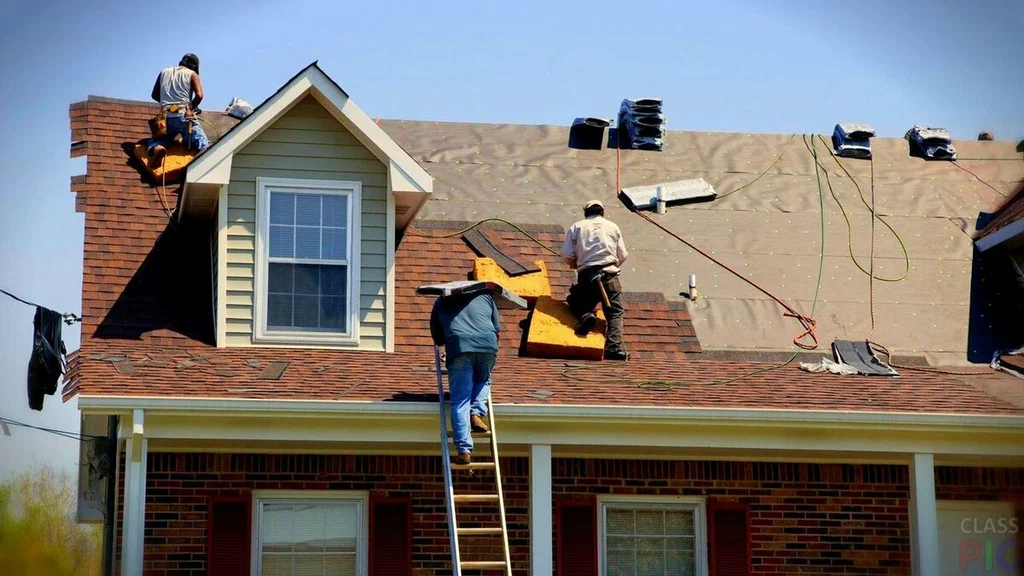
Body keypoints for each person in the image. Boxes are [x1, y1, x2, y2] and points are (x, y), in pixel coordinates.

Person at [430, 291, 501, 465]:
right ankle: (476, 412)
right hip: (487, 344)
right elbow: (496, 328)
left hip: (459, 346)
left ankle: (464, 450)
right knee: (483, 379)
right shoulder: (485, 296)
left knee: (461, 400)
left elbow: (438, 339)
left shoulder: (441, 301)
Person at [561, 199, 629, 361]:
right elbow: (623, 255)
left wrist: (575, 264)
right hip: (610, 275)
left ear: (586, 213)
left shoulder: (577, 227)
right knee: (615, 312)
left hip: (587, 276)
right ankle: (613, 348)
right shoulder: (612, 226)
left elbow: (566, 253)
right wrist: (610, 265)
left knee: (575, 301)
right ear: (602, 212)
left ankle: (586, 315)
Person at [144, 53, 209, 168]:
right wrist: (190, 108)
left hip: (165, 118)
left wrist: (168, 104)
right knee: (203, 144)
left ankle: (156, 148)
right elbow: (199, 96)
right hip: (183, 115)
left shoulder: (164, 72)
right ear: (194, 66)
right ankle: (200, 167)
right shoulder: (192, 74)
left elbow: (154, 95)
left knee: (159, 140)